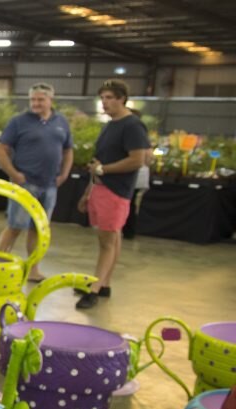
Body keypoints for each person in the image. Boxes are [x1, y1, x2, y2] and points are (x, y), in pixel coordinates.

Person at [75, 80, 151, 310]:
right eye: (103, 98)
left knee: (107, 241)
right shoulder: (110, 125)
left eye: (109, 98)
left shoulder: (132, 126)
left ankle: (94, 289)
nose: (105, 103)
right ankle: (104, 283)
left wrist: (104, 170)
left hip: (116, 190)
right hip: (101, 187)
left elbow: (138, 159)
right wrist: (89, 190)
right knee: (111, 238)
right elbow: (99, 161)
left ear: (121, 99)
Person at [0, 82, 74, 282]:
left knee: (38, 229)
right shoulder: (19, 122)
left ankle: (33, 269)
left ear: (50, 100)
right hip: (25, 184)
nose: (36, 103)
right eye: (33, 99)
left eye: (40, 99)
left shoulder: (61, 122)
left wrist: (64, 174)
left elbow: (68, 150)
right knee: (15, 226)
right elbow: (0, 149)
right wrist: (14, 173)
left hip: (50, 185)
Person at [121, 107, 153, 240]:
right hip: (137, 175)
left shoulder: (136, 134)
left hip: (135, 176)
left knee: (130, 203)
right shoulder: (141, 136)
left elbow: (147, 157)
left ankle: (127, 230)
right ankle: (128, 230)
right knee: (132, 203)